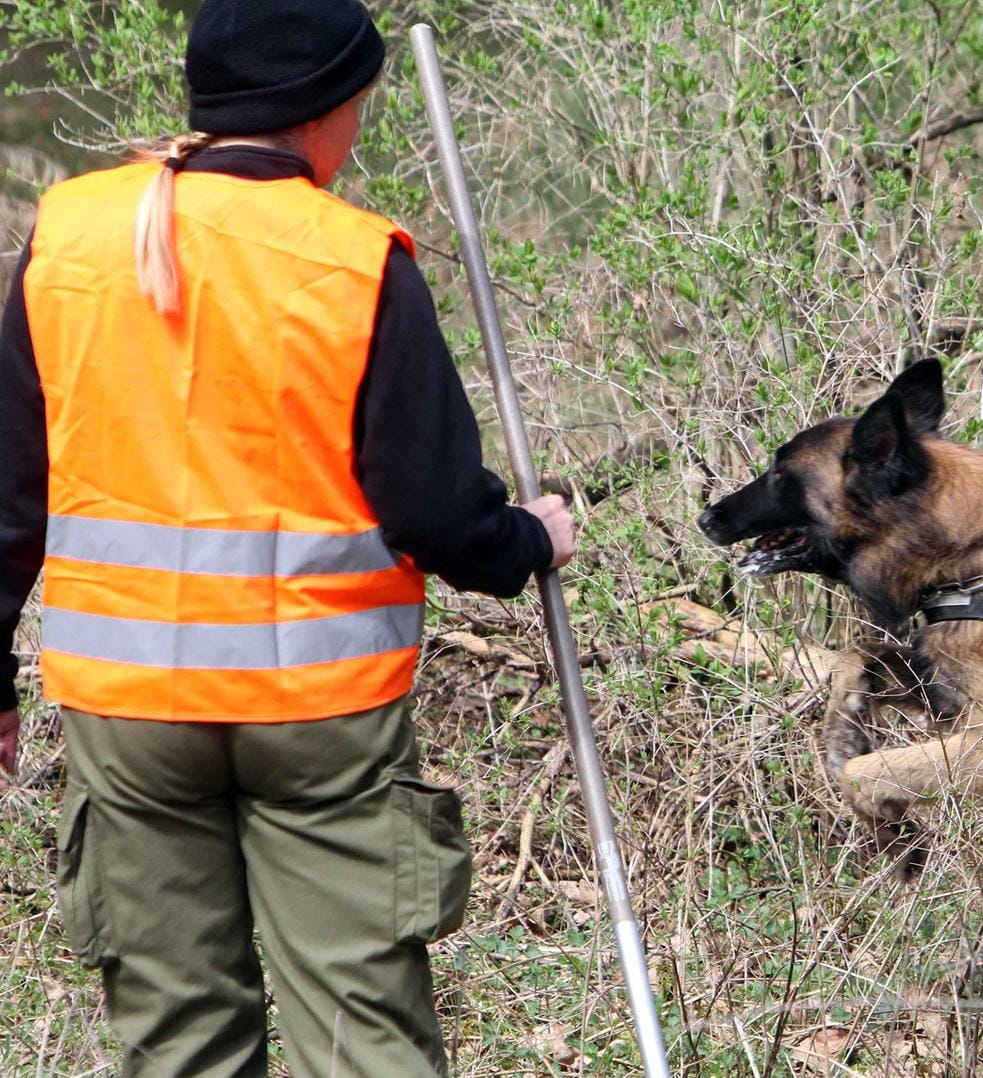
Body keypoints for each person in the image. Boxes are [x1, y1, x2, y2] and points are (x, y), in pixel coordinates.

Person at [0, 1, 576, 1073]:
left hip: (126, 716)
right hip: (319, 719)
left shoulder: (69, 233)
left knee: (179, 1042)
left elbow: (7, 493)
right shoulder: (355, 261)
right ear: (332, 106)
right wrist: (525, 541)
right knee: (362, 1040)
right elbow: (436, 512)